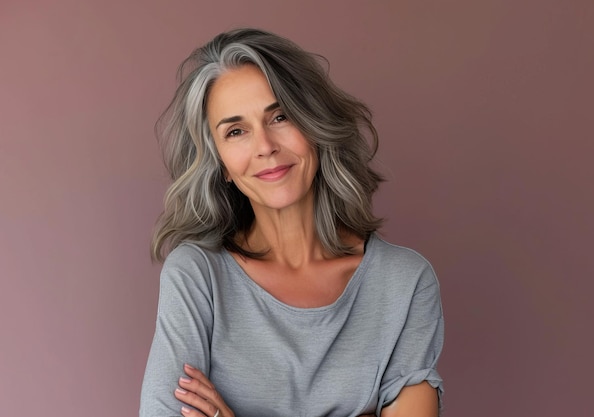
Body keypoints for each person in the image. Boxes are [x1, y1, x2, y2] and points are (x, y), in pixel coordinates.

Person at [140, 28, 444, 417]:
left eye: (280, 116)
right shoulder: (198, 277)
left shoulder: (404, 283)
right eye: (236, 131)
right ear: (222, 165)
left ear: (314, 125)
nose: (265, 146)